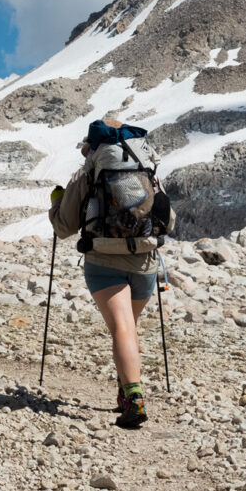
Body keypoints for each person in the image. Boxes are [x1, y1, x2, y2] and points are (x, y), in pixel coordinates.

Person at [48, 118, 165, 427]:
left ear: (93, 146)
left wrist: (56, 202)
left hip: (104, 260)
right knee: (129, 327)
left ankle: (134, 398)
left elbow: (64, 227)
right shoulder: (146, 167)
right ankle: (125, 389)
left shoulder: (88, 173)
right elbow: (167, 216)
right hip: (145, 260)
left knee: (121, 328)